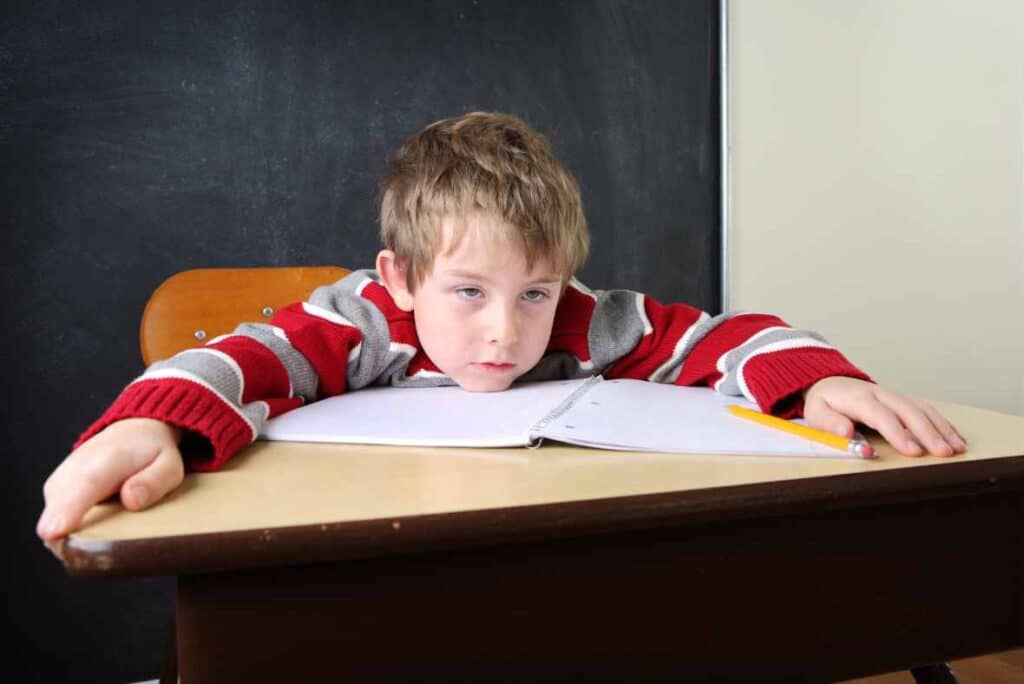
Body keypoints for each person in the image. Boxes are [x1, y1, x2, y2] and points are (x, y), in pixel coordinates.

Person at [36, 111, 965, 542]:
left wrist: (817, 380)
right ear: (403, 278)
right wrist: (149, 421)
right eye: (469, 293)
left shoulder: (579, 318)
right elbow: (244, 357)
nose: (507, 333)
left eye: (535, 293)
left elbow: (713, 338)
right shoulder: (364, 319)